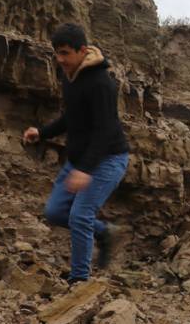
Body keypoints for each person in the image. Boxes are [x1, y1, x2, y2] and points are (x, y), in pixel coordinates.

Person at [23, 23, 130, 284]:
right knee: (55, 212)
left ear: (82, 51)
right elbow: (72, 116)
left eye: (65, 53)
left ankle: (79, 281)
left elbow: (104, 131)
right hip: (81, 160)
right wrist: (43, 132)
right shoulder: (71, 77)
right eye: (56, 53)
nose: (59, 60)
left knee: (80, 215)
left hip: (108, 159)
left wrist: (85, 170)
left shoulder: (100, 83)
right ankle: (104, 233)